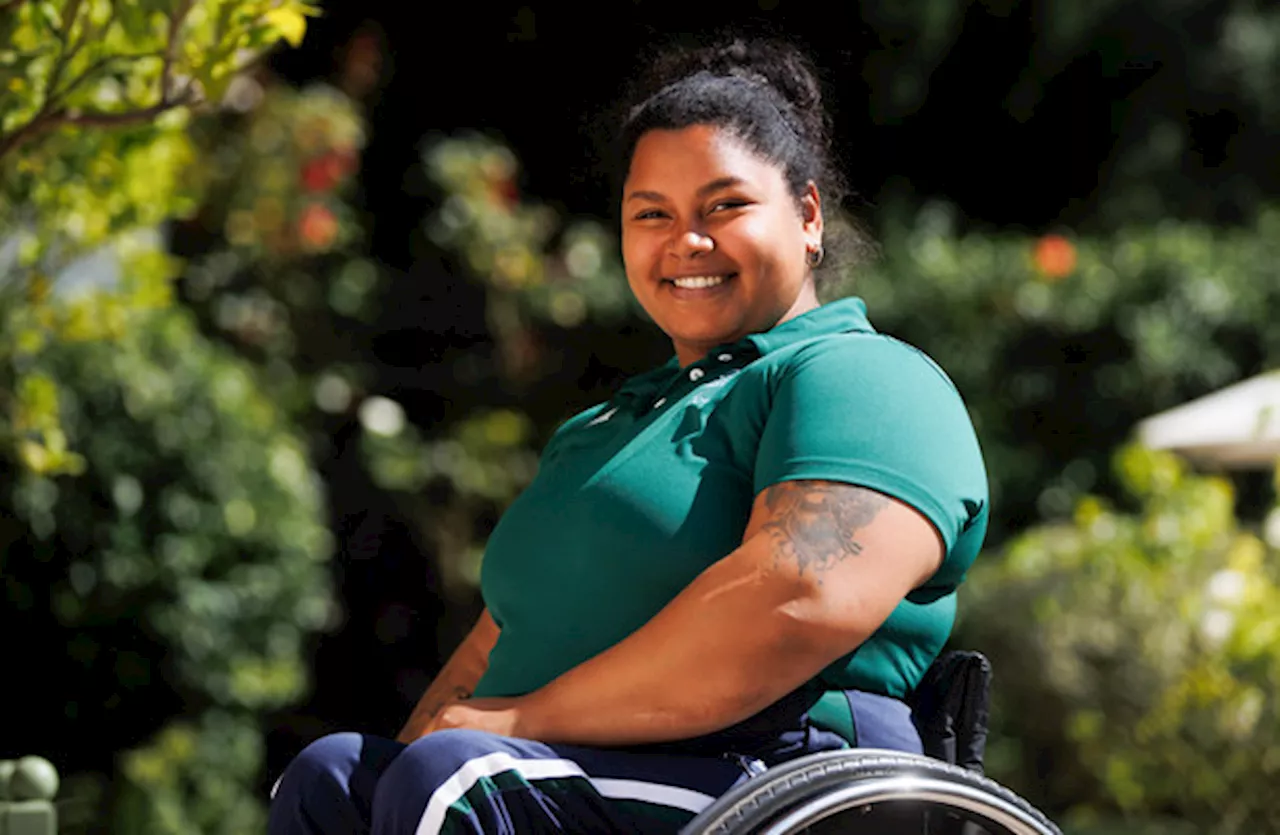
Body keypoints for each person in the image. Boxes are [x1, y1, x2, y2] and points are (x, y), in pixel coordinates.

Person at [269, 37, 988, 835]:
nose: (686, 239)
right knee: (335, 775)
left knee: (458, 782)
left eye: (725, 205)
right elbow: (491, 648)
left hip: (769, 774)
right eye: (653, 214)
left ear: (810, 216)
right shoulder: (604, 427)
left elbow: (799, 596)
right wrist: (402, 773)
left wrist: (520, 720)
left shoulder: (861, 377)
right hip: (560, 769)